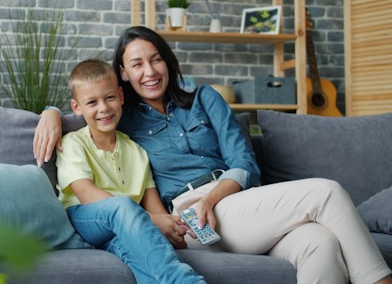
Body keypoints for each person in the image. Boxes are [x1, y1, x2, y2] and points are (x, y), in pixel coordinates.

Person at [35, 26, 392, 284]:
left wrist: (214, 197)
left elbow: (244, 164)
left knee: (322, 244)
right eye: (137, 64)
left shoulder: (205, 98)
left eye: (156, 59)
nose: (149, 71)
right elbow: (88, 105)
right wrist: (49, 112)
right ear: (124, 76)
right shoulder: (122, 116)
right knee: (325, 191)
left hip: (238, 202)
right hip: (190, 217)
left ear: (168, 61)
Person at [56, 58, 205, 284]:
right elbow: (86, 194)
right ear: (77, 108)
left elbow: (154, 208)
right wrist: (150, 221)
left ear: (121, 96)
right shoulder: (73, 143)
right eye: (92, 102)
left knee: (141, 260)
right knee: (124, 206)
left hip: (125, 230)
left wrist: (171, 225)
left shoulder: (137, 151)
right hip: (85, 220)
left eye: (109, 98)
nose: (103, 108)